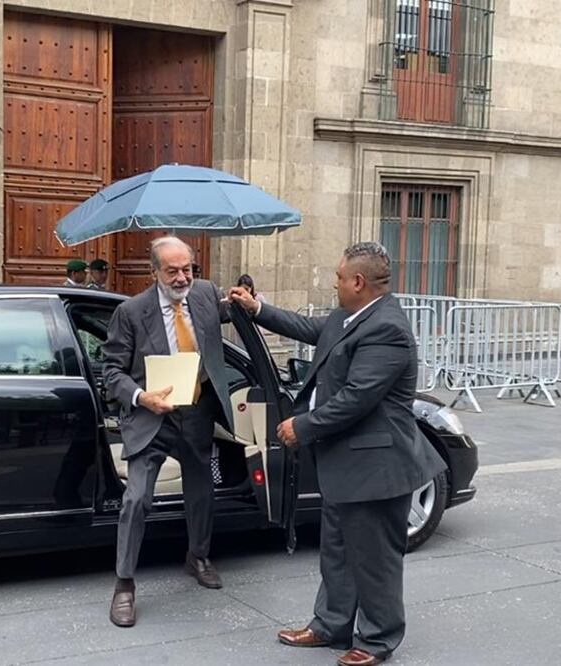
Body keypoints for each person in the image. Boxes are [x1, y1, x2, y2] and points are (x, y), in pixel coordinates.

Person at [228, 241, 446, 666]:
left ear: (358, 282)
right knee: (338, 550)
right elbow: (309, 328)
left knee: (374, 559)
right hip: (345, 464)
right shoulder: (352, 316)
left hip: (377, 468)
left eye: (339, 277)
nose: (335, 283)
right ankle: (331, 625)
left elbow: (357, 397)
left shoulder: (387, 329)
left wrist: (302, 426)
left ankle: (377, 639)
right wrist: (257, 309)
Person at [102, 236, 234, 628]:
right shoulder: (131, 312)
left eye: (187, 269)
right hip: (151, 415)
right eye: (172, 271)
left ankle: (198, 556)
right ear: (154, 272)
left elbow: (226, 313)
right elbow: (112, 371)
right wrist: (141, 397)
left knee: (201, 489)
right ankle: (124, 584)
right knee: (137, 498)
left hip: (195, 412)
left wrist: (246, 298)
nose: (181, 278)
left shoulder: (205, 293)